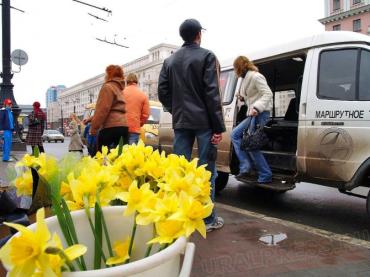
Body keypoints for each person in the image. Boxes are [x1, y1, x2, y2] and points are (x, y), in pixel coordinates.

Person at [158, 18, 226, 232]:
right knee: (206, 171)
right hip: (205, 122)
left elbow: (162, 92)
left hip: (181, 122)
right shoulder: (207, 56)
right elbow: (212, 93)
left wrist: (175, 109)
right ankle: (207, 219)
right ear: (199, 35)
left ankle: (181, 216)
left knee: (180, 171)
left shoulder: (169, 62)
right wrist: (218, 127)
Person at [231, 56, 273, 184]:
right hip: (253, 114)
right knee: (236, 135)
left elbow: (268, 93)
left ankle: (265, 174)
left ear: (240, 67)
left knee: (252, 144)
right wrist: (242, 98)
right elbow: (252, 96)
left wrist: (256, 107)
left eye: (235, 68)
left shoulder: (255, 76)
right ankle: (246, 165)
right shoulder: (245, 79)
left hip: (260, 113)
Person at [90, 65, 129, 151]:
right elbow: (114, 110)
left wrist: (93, 129)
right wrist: (91, 119)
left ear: (109, 75)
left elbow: (102, 110)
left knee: (101, 156)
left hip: (110, 128)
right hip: (124, 127)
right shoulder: (120, 89)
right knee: (121, 158)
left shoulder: (107, 87)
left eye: (106, 74)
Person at [123, 73, 150, 145]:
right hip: (134, 128)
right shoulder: (143, 95)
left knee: (120, 153)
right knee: (132, 153)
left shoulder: (120, 93)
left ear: (126, 81)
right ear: (137, 81)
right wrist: (138, 123)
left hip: (120, 128)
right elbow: (145, 114)